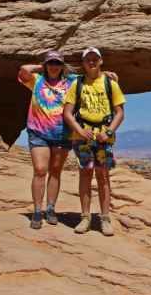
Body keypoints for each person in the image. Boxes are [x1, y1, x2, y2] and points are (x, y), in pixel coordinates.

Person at [19, 50, 117, 229]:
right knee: (40, 170)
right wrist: (44, 66)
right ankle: (37, 211)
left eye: (57, 63)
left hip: (62, 133)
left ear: (62, 66)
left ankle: (50, 209)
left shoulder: (71, 81)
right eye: (51, 63)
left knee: (55, 171)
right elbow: (24, 69)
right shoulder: (37, 80)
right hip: (38, 132)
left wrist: (104, 73)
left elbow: (90, 75)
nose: (54, 66)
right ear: (46, 65)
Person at [63, 47, 125, 236]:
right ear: (83, 63)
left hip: (103, 137)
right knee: (85, 175)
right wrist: (81, 131)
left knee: (103, 177)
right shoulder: (78, 84)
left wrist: (108, 132)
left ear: (101, 61)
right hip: (82, 137)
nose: (91, 62)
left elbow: (120, 113)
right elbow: (67, 112)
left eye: (94, 59)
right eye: (88, 60)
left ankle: (105, 219)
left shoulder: (110, 84)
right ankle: (85, 218)